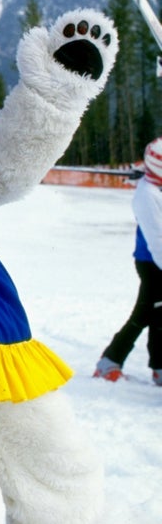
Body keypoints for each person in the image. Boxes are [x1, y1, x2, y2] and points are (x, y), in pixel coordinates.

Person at [95, 137, 162, 384]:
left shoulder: (156, 187)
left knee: (159, 312)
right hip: (151, 261)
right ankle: (108, 363)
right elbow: (157, 240)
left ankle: (160, 367)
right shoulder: (147, 195)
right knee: (145, 312)